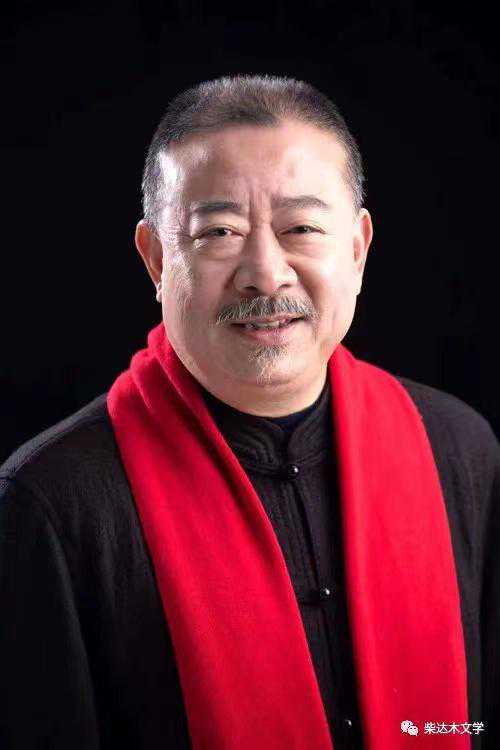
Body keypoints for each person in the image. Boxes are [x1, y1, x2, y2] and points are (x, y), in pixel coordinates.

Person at [0, 74, 498, 750]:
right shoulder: (53, 501)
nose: (265, 272)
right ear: (156, 260)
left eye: (302, 228)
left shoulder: (460, 449)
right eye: (220, 232)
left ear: (357, 249)